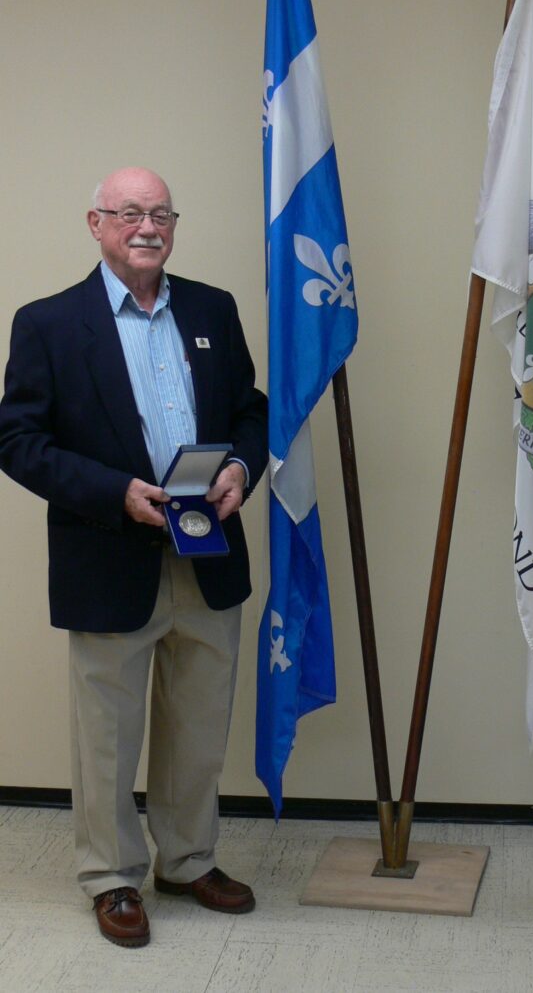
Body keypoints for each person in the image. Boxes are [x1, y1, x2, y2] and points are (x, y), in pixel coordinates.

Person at [0, 168, 268, 948]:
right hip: (108, 558)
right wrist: (115, 490)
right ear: (96, 222)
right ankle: (111, 874)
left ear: (174, 224)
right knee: (107, 732)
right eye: (128, 213)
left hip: (207, 553)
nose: (146, 225)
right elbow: (17, 440)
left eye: (159, 213)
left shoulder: (213, 308)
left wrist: (239, 469)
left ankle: (187, 860)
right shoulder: (48, 322)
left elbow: (251, 412)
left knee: (199, 724)